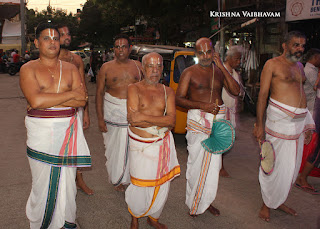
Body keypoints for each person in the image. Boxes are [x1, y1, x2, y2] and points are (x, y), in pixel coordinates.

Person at [20, 23, 91, 229]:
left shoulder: (70, 68)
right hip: (40, 133)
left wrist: (50, 99)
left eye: (56, 38)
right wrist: (69, 95)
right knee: (41, 183)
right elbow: (35, 101)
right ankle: (41, 224)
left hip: (68, 132)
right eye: (46, 38)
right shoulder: (28, 68)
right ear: (36, 42)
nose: (52, 42)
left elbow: (82, 100)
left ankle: (66, 222)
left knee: (68, 183)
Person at [253, 31, 315, 222]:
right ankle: (266, 204)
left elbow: (301, 94)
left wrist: (307, 125)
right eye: (296, 45)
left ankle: (278, 200)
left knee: (291, 168)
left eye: (302, 46)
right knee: (273, 164)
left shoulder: (299, 67)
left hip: (298, 124)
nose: (300, 49)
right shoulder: (272, 65)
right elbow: (262, 96)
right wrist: (259, 124)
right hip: (278, 122)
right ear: (284, 45)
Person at [176, 37, 240, 217]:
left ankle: (206, 200)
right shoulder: (189, 72)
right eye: (201, 53)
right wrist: (202, 106)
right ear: (196, 53)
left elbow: (236, 91)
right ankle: (194, 202)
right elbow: (178, 99)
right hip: (198, 121)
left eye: (208, 52)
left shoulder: (220, 71)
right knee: (196, 165)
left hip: (217, 122)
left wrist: (221, 66)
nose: (205, 56)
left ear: (214, 51)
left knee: (214, 167)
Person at [125, 52, 180, 229]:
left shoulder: (168, 91)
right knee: (138, 184)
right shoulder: (134, 88)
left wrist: (143, 117)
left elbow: (172, 121)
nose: (155, 70)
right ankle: (135, 218)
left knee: (162, 184)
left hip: (161, 145)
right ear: (143, 67)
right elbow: (133, 120)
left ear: (163, 69)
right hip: (140, 146)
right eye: (150, 66)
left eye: (159, 66)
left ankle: (153, 217)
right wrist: (159, 120)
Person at [96, 34, 142, 192]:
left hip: (134, 114)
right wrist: (100, 119)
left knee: (134, 147)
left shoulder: (138, 66)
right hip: (113, 113)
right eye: (117, 47)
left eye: (124, 46)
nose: (120, 50)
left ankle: (132, 177)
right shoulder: (106, 67)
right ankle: (118, 179)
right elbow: (99, 94)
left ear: (130, 48)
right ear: (113, 49)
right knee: (115, 148)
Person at [57, 24, 93, 195]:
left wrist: (86, 112)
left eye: (68, 34)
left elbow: (83, 87)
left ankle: (79, 180)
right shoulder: (51, 59)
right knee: (58, 146)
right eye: (62, 34)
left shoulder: (76, 59)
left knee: (76, 146)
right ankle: (61, 181)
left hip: (76, 109)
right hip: (56, 111)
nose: (67, 37)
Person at [220, 45, 245, 178]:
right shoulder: (220, 70)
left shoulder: (235, 73)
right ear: (228, 58)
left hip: (231, 111)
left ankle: (218, 165)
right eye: (236, 58)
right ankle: (220, 166)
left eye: (240, 59)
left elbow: (238, 92)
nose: (239, 62)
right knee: (222, 139)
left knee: (227, 139)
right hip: (221, 111)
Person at [303, 48, 320, 116]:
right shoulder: (310, 70)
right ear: (316, 57)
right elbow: (316, 86)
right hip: (311, 105)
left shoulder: (311, 69)